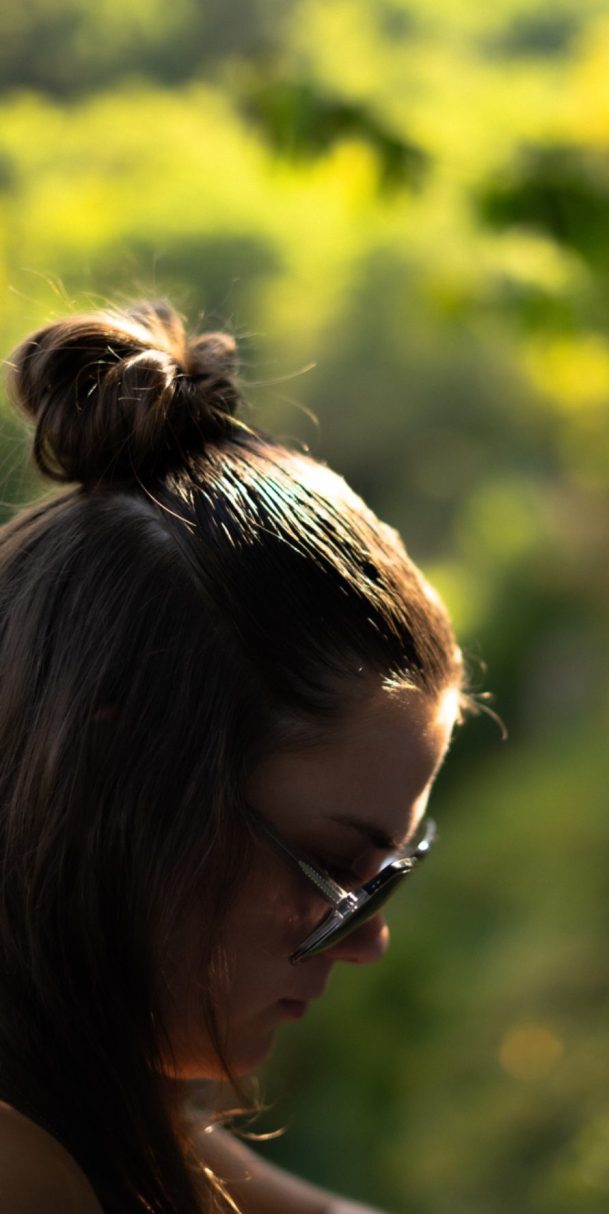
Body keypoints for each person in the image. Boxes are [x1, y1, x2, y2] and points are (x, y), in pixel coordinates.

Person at [0, 302, 466, 1213]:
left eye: (388, 872)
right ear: (116, 779)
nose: (367, 938)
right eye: (334, 867)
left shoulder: (88, 1094)